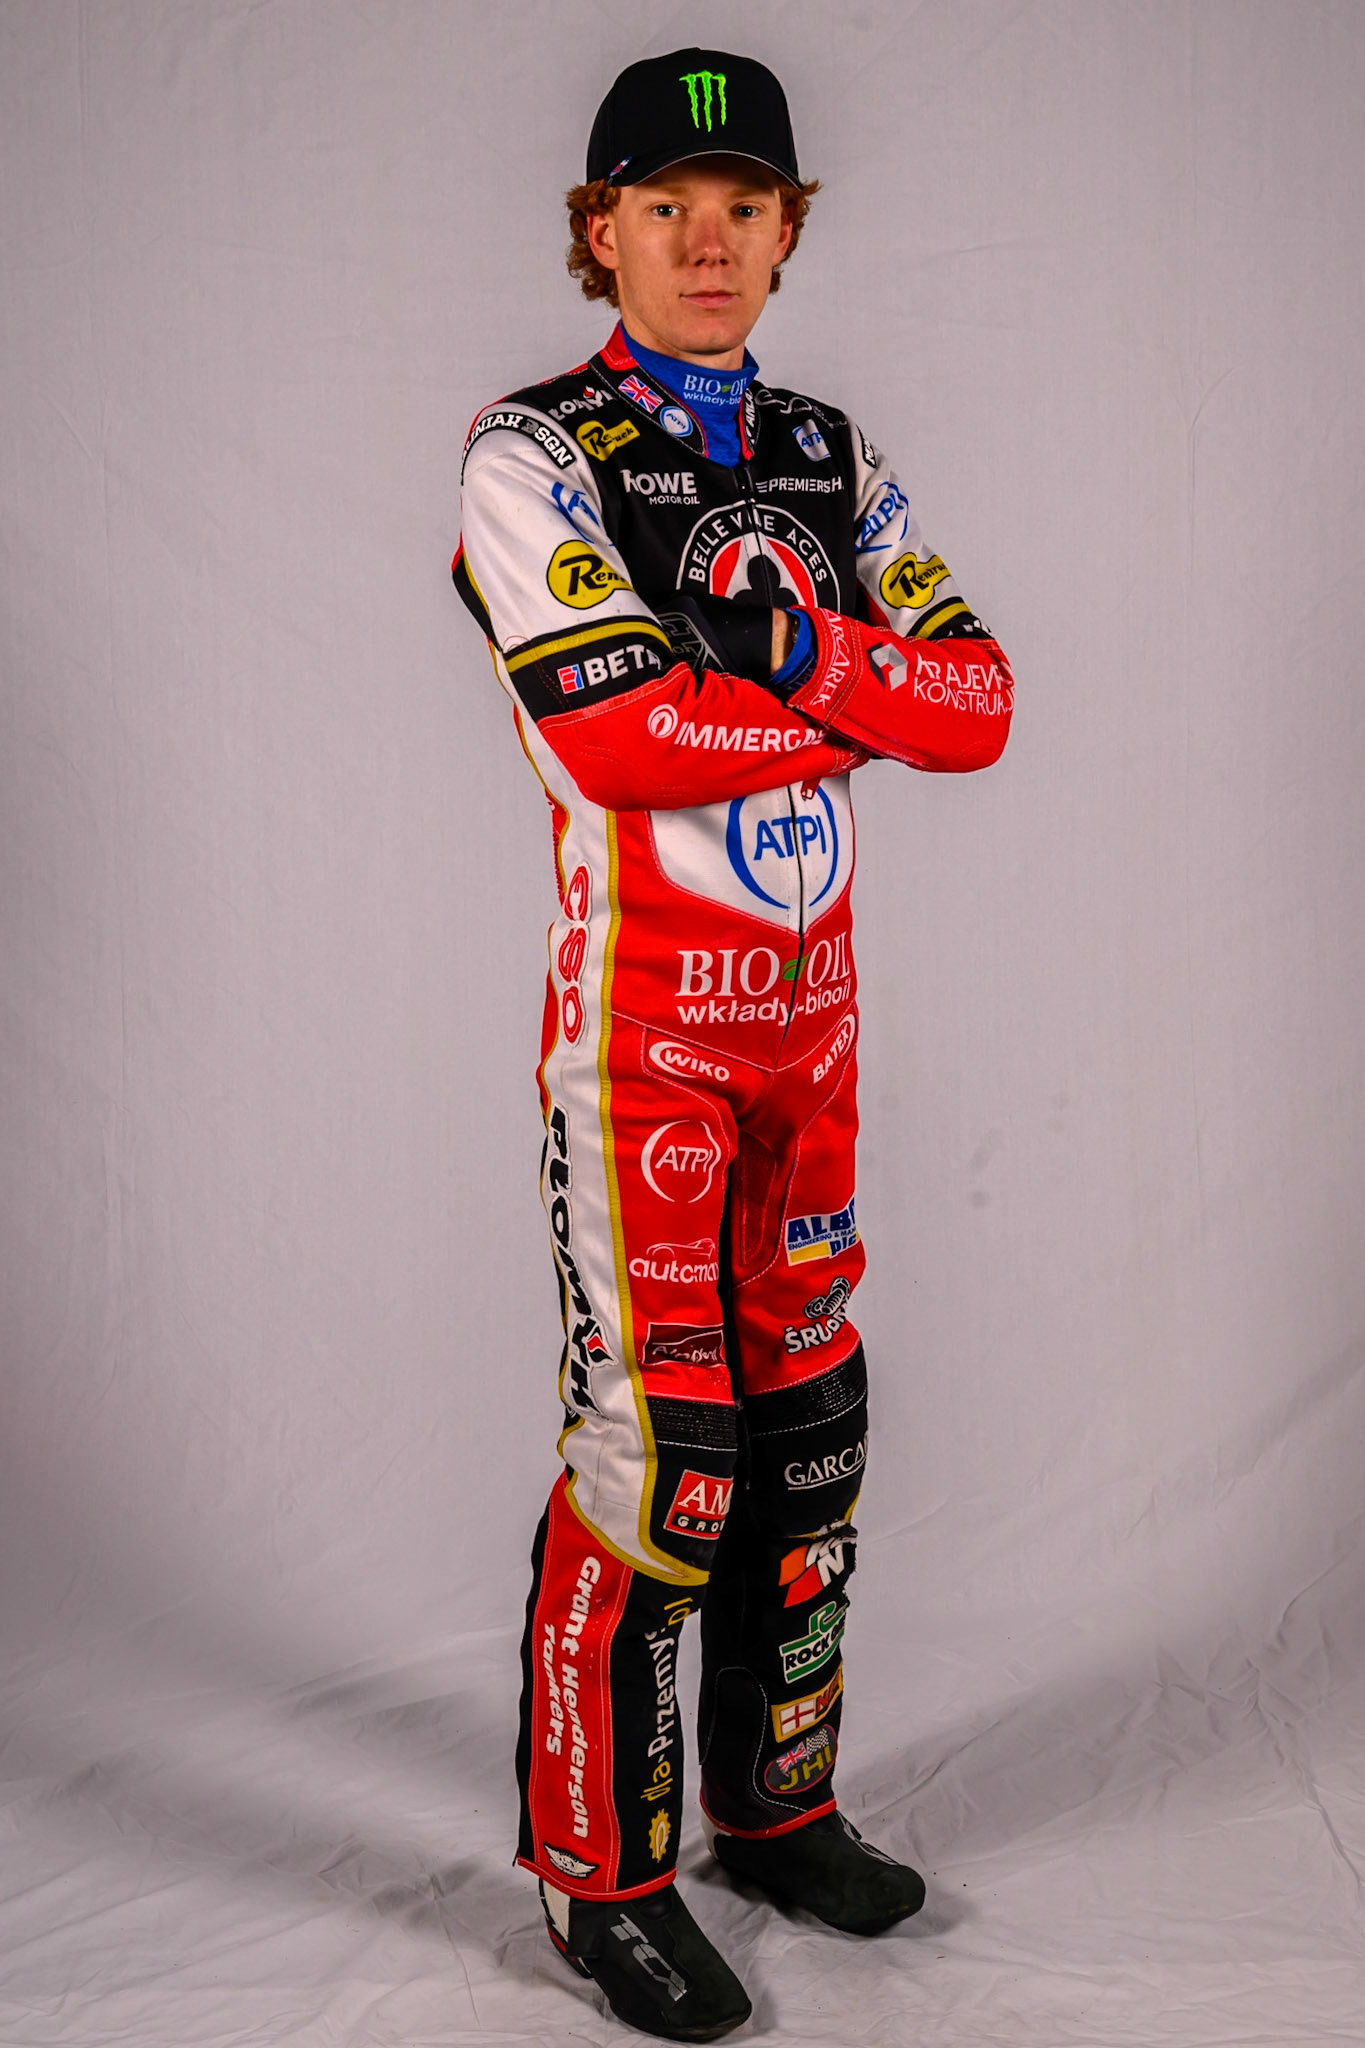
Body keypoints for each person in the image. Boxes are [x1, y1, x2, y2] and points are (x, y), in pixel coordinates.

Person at [453, 46, 1013, 2041]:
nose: (707, 238)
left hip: (810, 1043)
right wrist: (846, 694)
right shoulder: (528, 449)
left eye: (745, 205)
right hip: (639, 1057)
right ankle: (595, 1879)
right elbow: (609, 731)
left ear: (787, 236)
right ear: (596, 234)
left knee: (809, 1440)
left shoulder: (826, 450)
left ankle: (773, 1814)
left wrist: (806, 667)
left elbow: (982, 698)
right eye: (665, 205)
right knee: (662, 1453)